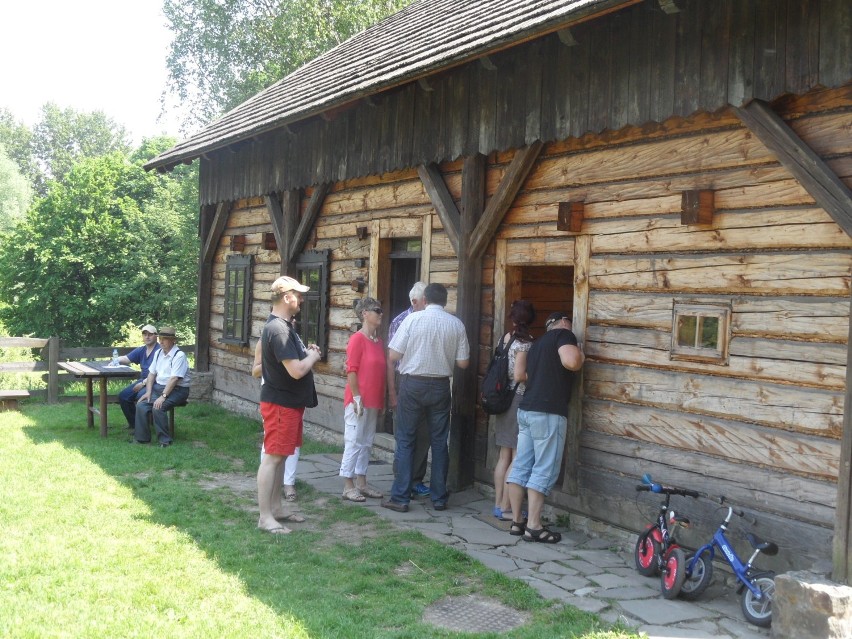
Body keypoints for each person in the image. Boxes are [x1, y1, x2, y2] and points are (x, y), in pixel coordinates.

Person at [383, 283, 470, 513]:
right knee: (440, 442)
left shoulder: (412, 320)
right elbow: (463, 363)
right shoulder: (456, 324)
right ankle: (439, 497)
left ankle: (400, 497)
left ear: (426, 299)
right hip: (441, 385)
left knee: (406, 440)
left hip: (413, 384)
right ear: (445, 300)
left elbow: (393, 355)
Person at [507, 312, 584, 544]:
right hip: (548, 413)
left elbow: (525, 375)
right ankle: (534, 526)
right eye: (569, 321)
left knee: (521, 465)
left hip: (527, 409)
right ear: (562, 322)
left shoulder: (538, 343)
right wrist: (580, 353)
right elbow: (571, 362)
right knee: (544, 468)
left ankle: (517, 521)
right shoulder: (564, 334)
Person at [256, 276, 321, 534]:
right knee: (272, 458)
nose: (302, 299)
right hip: (280, 403)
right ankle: (264, 517)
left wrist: (307, 353)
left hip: (288, 403)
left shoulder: (284, 327)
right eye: (299, 294)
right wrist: (313, 357)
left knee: (281, 457)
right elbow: (295, 371)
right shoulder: (279, 330)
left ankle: (277, 508)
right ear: (287, 297)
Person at [340, 297, 387, 501]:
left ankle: (362, 482)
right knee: (354, 440)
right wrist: (356, 397)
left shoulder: (378, 342)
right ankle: (348, 484)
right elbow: (351, 369)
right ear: (365, 314)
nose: (381, 314)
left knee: (367, 442)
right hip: (358, 401)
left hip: (374, 401)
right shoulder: (357, 339)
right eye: (377, 310)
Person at [387, 281, 431, 498]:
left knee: (424, 434)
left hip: (425, 381)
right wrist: (393, 392)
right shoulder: (400, 321)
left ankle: (416, 480)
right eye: (426, 301)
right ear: (415, 302)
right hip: (404, 378)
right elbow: (392, 359)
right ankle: (402, 481)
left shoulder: (432, 320)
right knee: (404, 435)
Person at [492, 300, 535, 521]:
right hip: (517, 399)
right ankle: (506, 507)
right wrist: (537, 375)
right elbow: (519, 375)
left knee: (504, 455)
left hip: (503, 398)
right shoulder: (525, 343)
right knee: (517, 457)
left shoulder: (505, 339)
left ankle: (498, 502)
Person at [253, 339, 300, 501]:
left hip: (294, 397)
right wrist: (275, 364)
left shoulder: (295, 340)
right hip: (275, 398)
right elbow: (255, 371)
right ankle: (267, 486)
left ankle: (289, 484)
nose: (292, 321)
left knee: (292, 444)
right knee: (271, 445)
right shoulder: (265, 340)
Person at [132, 326, 192, 447]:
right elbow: (152, 373)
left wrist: (163, 396)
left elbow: (174, 379)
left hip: (178, 390)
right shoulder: (159, 352)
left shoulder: (179, 355)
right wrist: (148, 392)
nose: (161, 342)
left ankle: (165, 440)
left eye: (165, 339)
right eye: (161, 338)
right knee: (141, 404)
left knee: (158, 407)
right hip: (159, 387)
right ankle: (142, 439)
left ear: (173, 340)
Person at [117, 324, 161, 429]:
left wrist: (143, 384)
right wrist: (115, 360)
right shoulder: (142, 350)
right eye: (145, 334)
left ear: (156, 336)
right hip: (142, 381)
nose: (147, 337)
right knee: (123, 396)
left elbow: (159, 373)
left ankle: (143, 427)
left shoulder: (160, 351)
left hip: (156, 383)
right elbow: (127, 358)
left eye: (150, 334)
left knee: (140, 398)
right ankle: (135, 425)